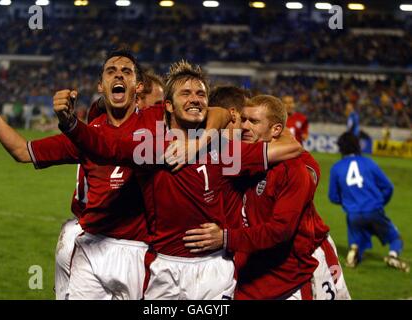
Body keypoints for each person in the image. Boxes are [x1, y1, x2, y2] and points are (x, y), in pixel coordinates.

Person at [56, 61, 303, 299]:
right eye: (185, 93)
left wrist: (200, 141)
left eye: (200, 94)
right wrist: (70, 124)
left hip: (215, 270)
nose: (195, 98)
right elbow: (103, 146)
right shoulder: (151, 149)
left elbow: (292, 148)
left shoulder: (225, 151)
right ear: (169, 106)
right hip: (164, 270)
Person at [0, 50, 153, 300]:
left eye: (126, 71)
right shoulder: (86, 135)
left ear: (138, 86)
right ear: (101, 85)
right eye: (111, 71)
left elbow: (208, 117)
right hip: (91, 247)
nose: (118, 74)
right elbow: (23, 151)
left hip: (138, 249)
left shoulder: (155, 125)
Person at [183, 94, 351, 300]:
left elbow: (281, 228)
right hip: (253, 263)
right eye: (242, 120)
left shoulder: (294, 166)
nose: (244, 127)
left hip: (302, 257)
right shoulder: (233, 156)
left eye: (252, 121)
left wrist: (226, 238)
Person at [329, 132, 409, 272]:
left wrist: (349, 203)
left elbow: (333, 196)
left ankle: (354, 251)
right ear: (357, 145)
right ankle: (393, 256)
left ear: (341, 148)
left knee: (358, 241)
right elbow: (388, 186)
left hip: (353, 214)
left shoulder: (336, 167)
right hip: (374, 209)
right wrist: (380, 202)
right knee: (396, 238)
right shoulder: (368, 162)